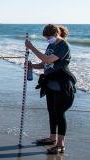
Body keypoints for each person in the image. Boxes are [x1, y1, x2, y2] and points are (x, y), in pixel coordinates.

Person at [25, 24, 76, 154]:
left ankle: (61, 144)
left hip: (62, 83)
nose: (47, 39)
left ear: (56, 34)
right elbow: (44, 64)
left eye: (49, 37)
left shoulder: (63, 46)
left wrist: (31, 48)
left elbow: (48, 60)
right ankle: (52, 138)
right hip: (50, 82)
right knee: (51, 111)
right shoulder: (51, 45)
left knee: (59, 113)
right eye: (46, 38)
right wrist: (32, 66)